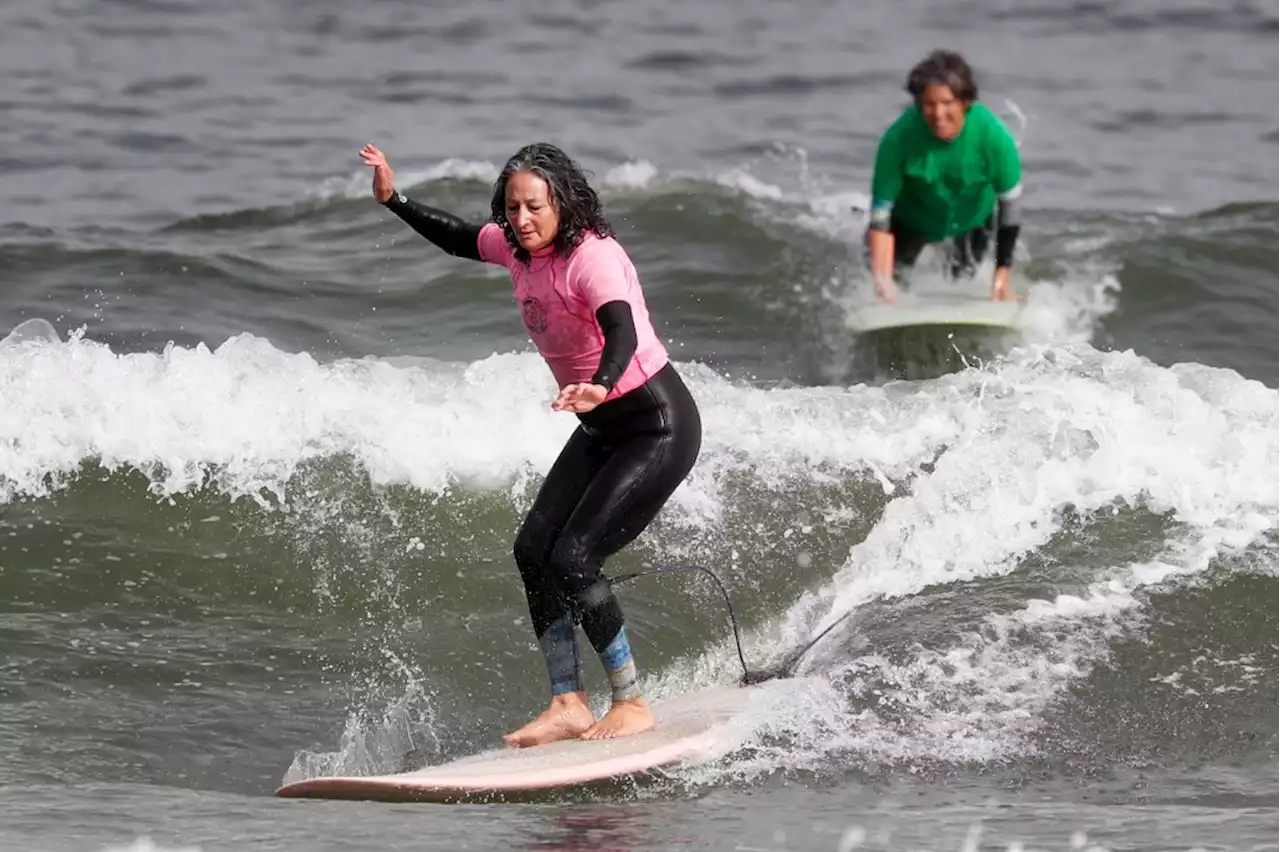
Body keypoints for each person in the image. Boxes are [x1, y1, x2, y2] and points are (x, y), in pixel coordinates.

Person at [359, 141, 702, 746]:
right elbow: (459, 237)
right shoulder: (519, 251)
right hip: (601, 427)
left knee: (574, 557)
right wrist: (394, 199)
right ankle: (567, 701)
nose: (522, 219)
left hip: (655, 425)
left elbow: (619, 327)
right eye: (513, 207)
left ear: (563, 204)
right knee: (533, 550)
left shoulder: (592, 260)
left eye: (535, 207)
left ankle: (630, 701)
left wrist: (598, 383)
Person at [865, 49, 1024, 303]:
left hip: (972, 221)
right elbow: (880, 216)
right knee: (887, 289)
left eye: (947, 103)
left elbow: (1010, 210)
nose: (938, 115)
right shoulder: (898, 140)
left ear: (965, 101)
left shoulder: (994, 139)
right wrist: (882, 281)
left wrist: (1002, 278)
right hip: (908, 220)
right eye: (929, 104)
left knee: (962, 285)